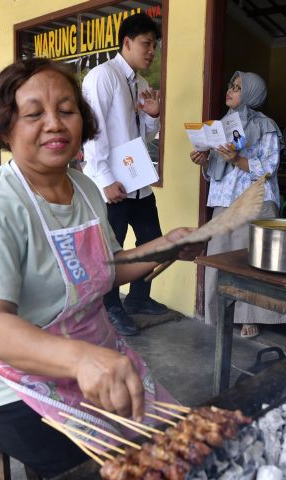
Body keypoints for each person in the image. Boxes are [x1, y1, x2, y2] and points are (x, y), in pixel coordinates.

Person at [0, 58, 202, 480]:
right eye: (34, 114)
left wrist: (166, 246)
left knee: (183, 448)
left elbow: (103, 270)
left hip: (98, 356)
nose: (54, 124)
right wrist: (82, 359)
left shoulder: (85, 187)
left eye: (66, 110)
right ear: (5, 126)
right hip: (12, 384)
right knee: (123, 472)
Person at [82, 12, 165, 337]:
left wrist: (154, 116)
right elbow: (93, 131)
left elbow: (142, 135)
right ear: (126, 42)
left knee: (153, 242)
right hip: (110, 183)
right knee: (110, 250)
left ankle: (139, 299)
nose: (151, 52)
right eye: (146, 44)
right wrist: (104, 180)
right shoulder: (103, 77)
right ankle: (110, 307)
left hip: (137, 180)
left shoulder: (142, 84)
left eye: (154, 46)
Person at [190, 71, 286, 338]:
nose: (230, 91)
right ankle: (219, 312)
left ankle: (250, 317)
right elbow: (215, 173)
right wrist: (204, 160)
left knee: (249, 259)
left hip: (254, 199)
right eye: (230, 85)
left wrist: (236, 158)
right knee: (219, 258)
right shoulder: (220, 126)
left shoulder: (265, 125)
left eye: (237, 87)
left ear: (251, 94)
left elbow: (268, 167)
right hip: (224, 200)